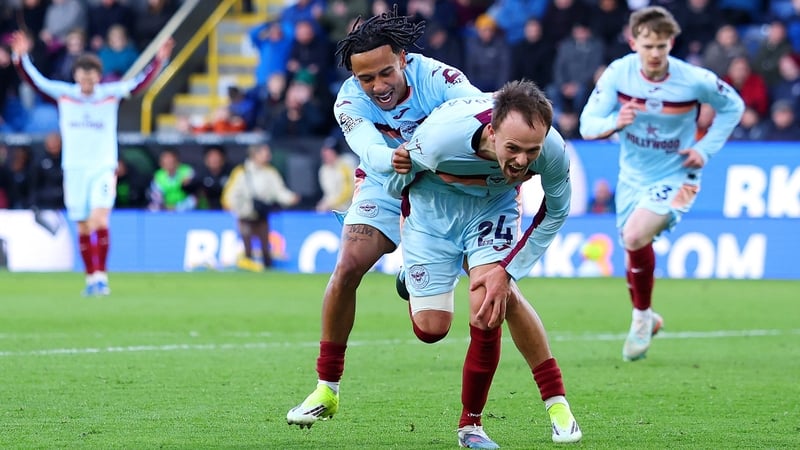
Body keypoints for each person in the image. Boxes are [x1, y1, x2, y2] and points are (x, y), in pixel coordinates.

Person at [287, 8, 579, 446]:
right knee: (350, 267)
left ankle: (500, 417)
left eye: (386, 73)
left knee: (496, 292)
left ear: (403, 58)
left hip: (467, 183)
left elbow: (487, 120)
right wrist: (398, 159)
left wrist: (501, 259)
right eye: (367, 79)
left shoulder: (443, 82)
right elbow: (369, 149)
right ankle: (326, 390)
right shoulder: (348, 100)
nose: (378, 86)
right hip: (393, 178)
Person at [386, 81, 582, 447]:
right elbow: (398, 185)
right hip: (433, 209)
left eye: (531, 151)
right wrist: (409, 242)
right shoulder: (439, 140)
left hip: (492, 208)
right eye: (513, 148)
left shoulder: (553, 151)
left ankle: (472, 426)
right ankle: (410, 278)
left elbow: (557, 211)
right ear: (492, 132)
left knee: (491, 304)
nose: (523, 160)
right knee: (430, 329)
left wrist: (505, 272)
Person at [579, 6, 744, 361]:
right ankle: (647, 316)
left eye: (661, 46)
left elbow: (734, 106)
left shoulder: (693, 79)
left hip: (678, 173)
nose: (654, 54)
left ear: (672, 43)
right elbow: (587, 124)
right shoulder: (619, 74)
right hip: (632, 177)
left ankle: (640, 318)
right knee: (631, 242)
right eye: (648, 45)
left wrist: (705, 148)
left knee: (636, 235)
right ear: (633, 41)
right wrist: (614, 121)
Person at [10, 30, 173, 296]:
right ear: (76, 77)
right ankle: (91, 278)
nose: (87, 83)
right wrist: (20, 57)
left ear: (98, 77)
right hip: (74, 168)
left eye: (92, 77)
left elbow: (140, 84)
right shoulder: (64, 94)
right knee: (83, 225)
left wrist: (159, 60)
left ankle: (102, 277)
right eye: (82, 77)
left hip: (102, 167)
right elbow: (34, 81)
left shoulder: (109, 94)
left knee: (99, 219)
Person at [221, 143, 300, 272]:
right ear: (255, 154)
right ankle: (247, 273)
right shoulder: (241, 171)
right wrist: (230, 205)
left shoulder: (270, 172)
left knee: (265, 247)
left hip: (261, 214)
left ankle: (267, 272)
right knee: (247, 247)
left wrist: (291, 198)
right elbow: (231, 192)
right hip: (245, 215)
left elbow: (279, 191)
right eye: (264, 153)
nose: (268, 156)